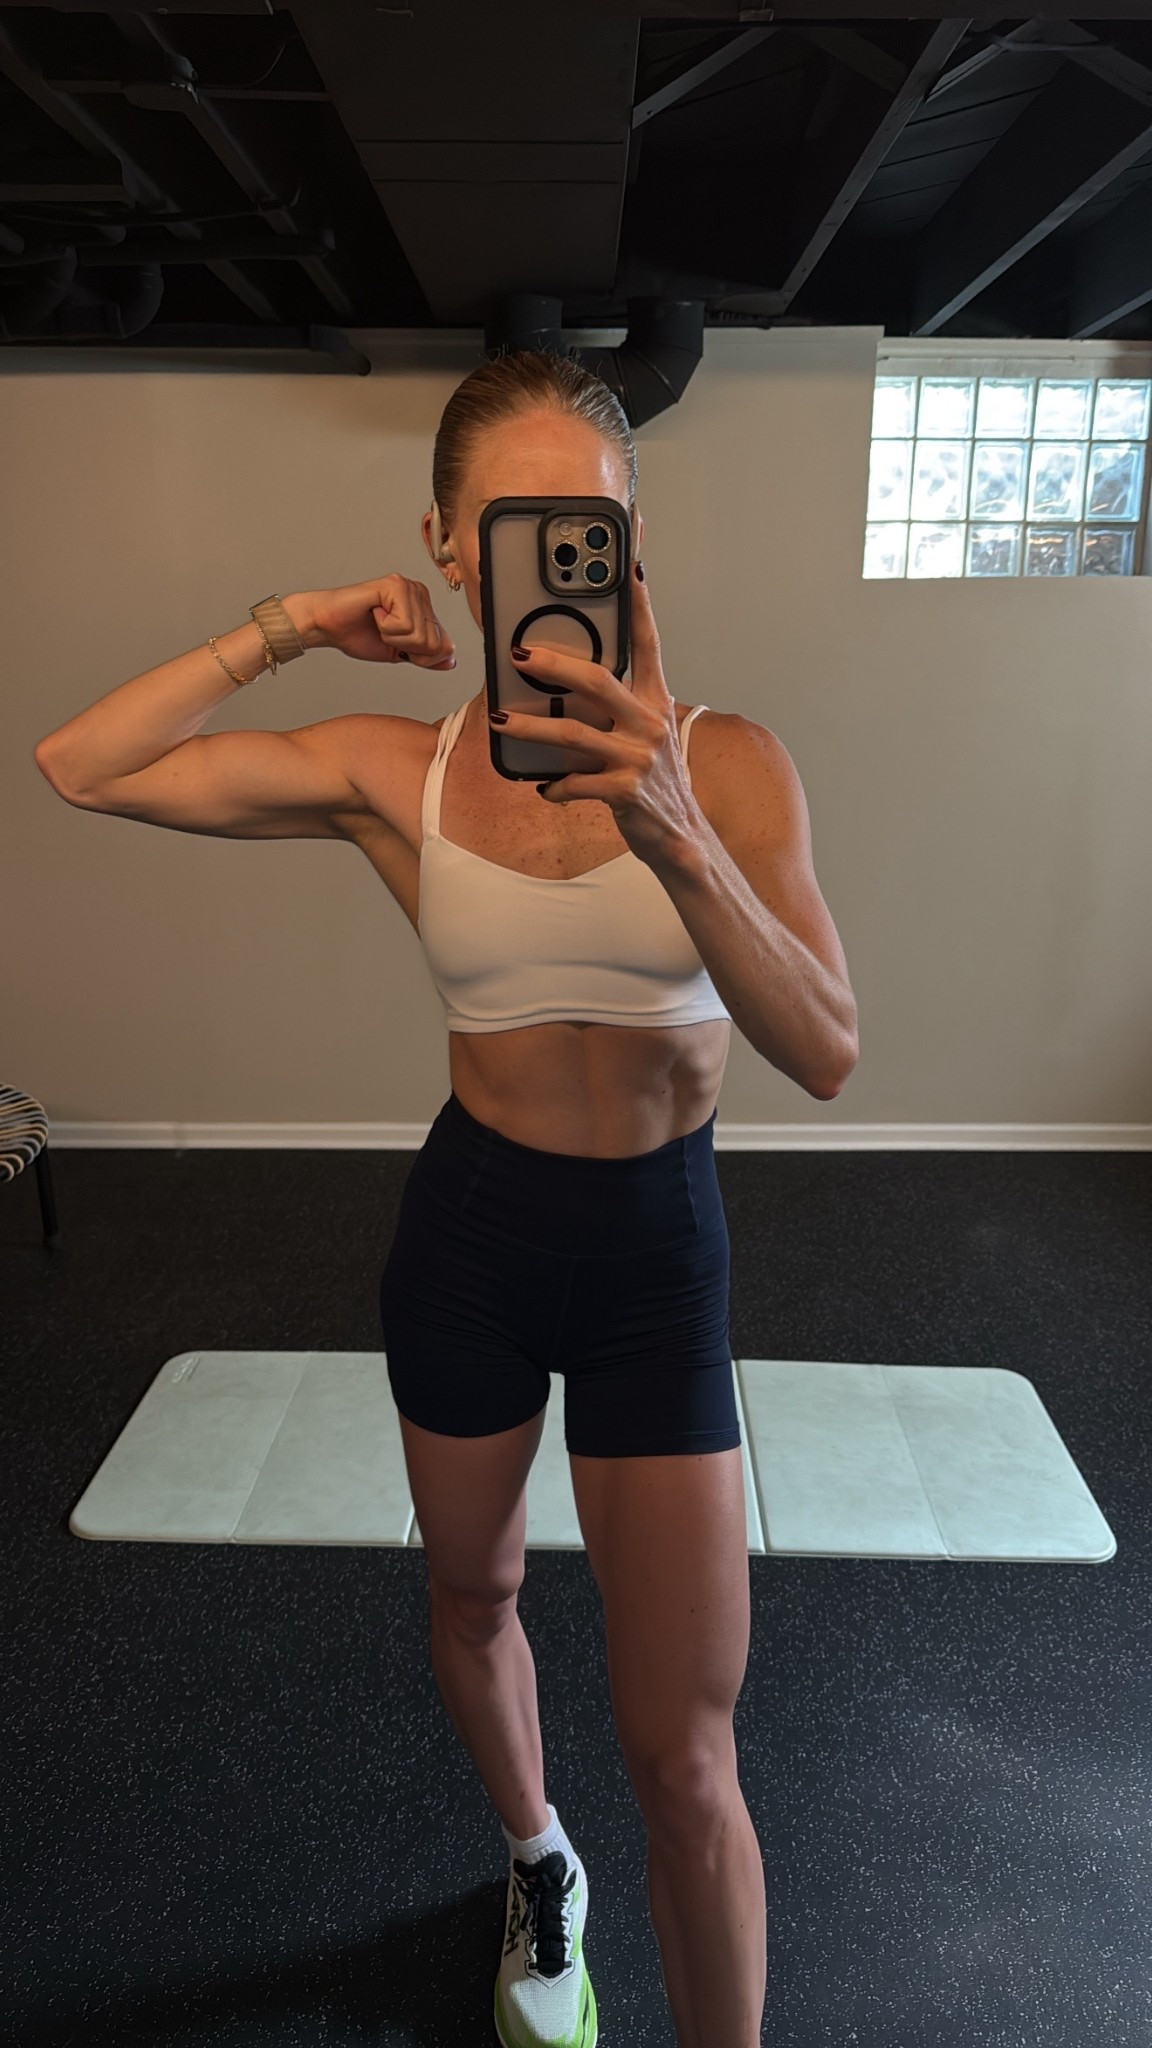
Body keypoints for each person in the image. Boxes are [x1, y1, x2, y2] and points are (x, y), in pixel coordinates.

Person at [35, 347, 857, 2048]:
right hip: (474, 1238)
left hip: (656, 1262)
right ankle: (538, 1860)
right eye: (513, 527)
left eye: (589, 526)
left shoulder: (730, 764)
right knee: (474, 1597)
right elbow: (82, 764)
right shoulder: (391, 770)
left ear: (633, 545)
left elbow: (827, 1049)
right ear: (447, 546)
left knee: (688, 1757)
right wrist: (295, 626)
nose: (557, 559)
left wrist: (674, 827)